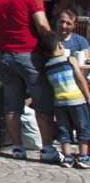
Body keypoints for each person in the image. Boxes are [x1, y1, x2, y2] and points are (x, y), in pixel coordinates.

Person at [0, 0, 59, 162]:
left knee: (12, 105)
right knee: (43, 103)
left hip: (7, 55)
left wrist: (0, 53)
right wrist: (55, 49)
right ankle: (47, 150)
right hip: (30, 55)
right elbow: (43, 26)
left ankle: (18, 148)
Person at [37, 28, 90, 169]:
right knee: (83, 128)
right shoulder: (70, 60)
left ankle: (67, 158)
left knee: (63, 129)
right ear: (60, 45)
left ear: (46, 53)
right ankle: (83, 157)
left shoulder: (47, 67)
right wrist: (88, 97)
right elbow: (80, 79)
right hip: (77, 101)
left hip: (60, 103)